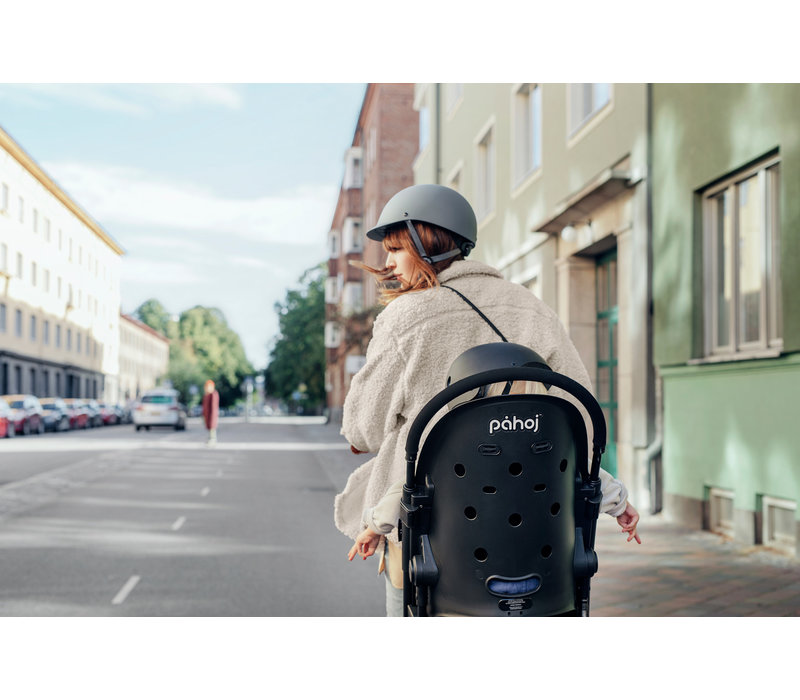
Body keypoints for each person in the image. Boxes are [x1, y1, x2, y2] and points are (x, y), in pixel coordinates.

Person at [334, 184, 641, 617]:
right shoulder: (532, 307)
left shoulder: (406, 317)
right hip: (541, 537)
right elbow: (582, 419)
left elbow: (362, 429)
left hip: (431, 540)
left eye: (396, 249)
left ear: (427, 242)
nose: (386, 263)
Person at [201, 379, 219, 445]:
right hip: (207, 415)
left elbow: (213, 407)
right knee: (210, 429)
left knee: (212, 429)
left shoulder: (213, 394)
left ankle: (212, 440)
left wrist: (212, 417)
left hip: (212, 416)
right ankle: (210, 439)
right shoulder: (206, 395)